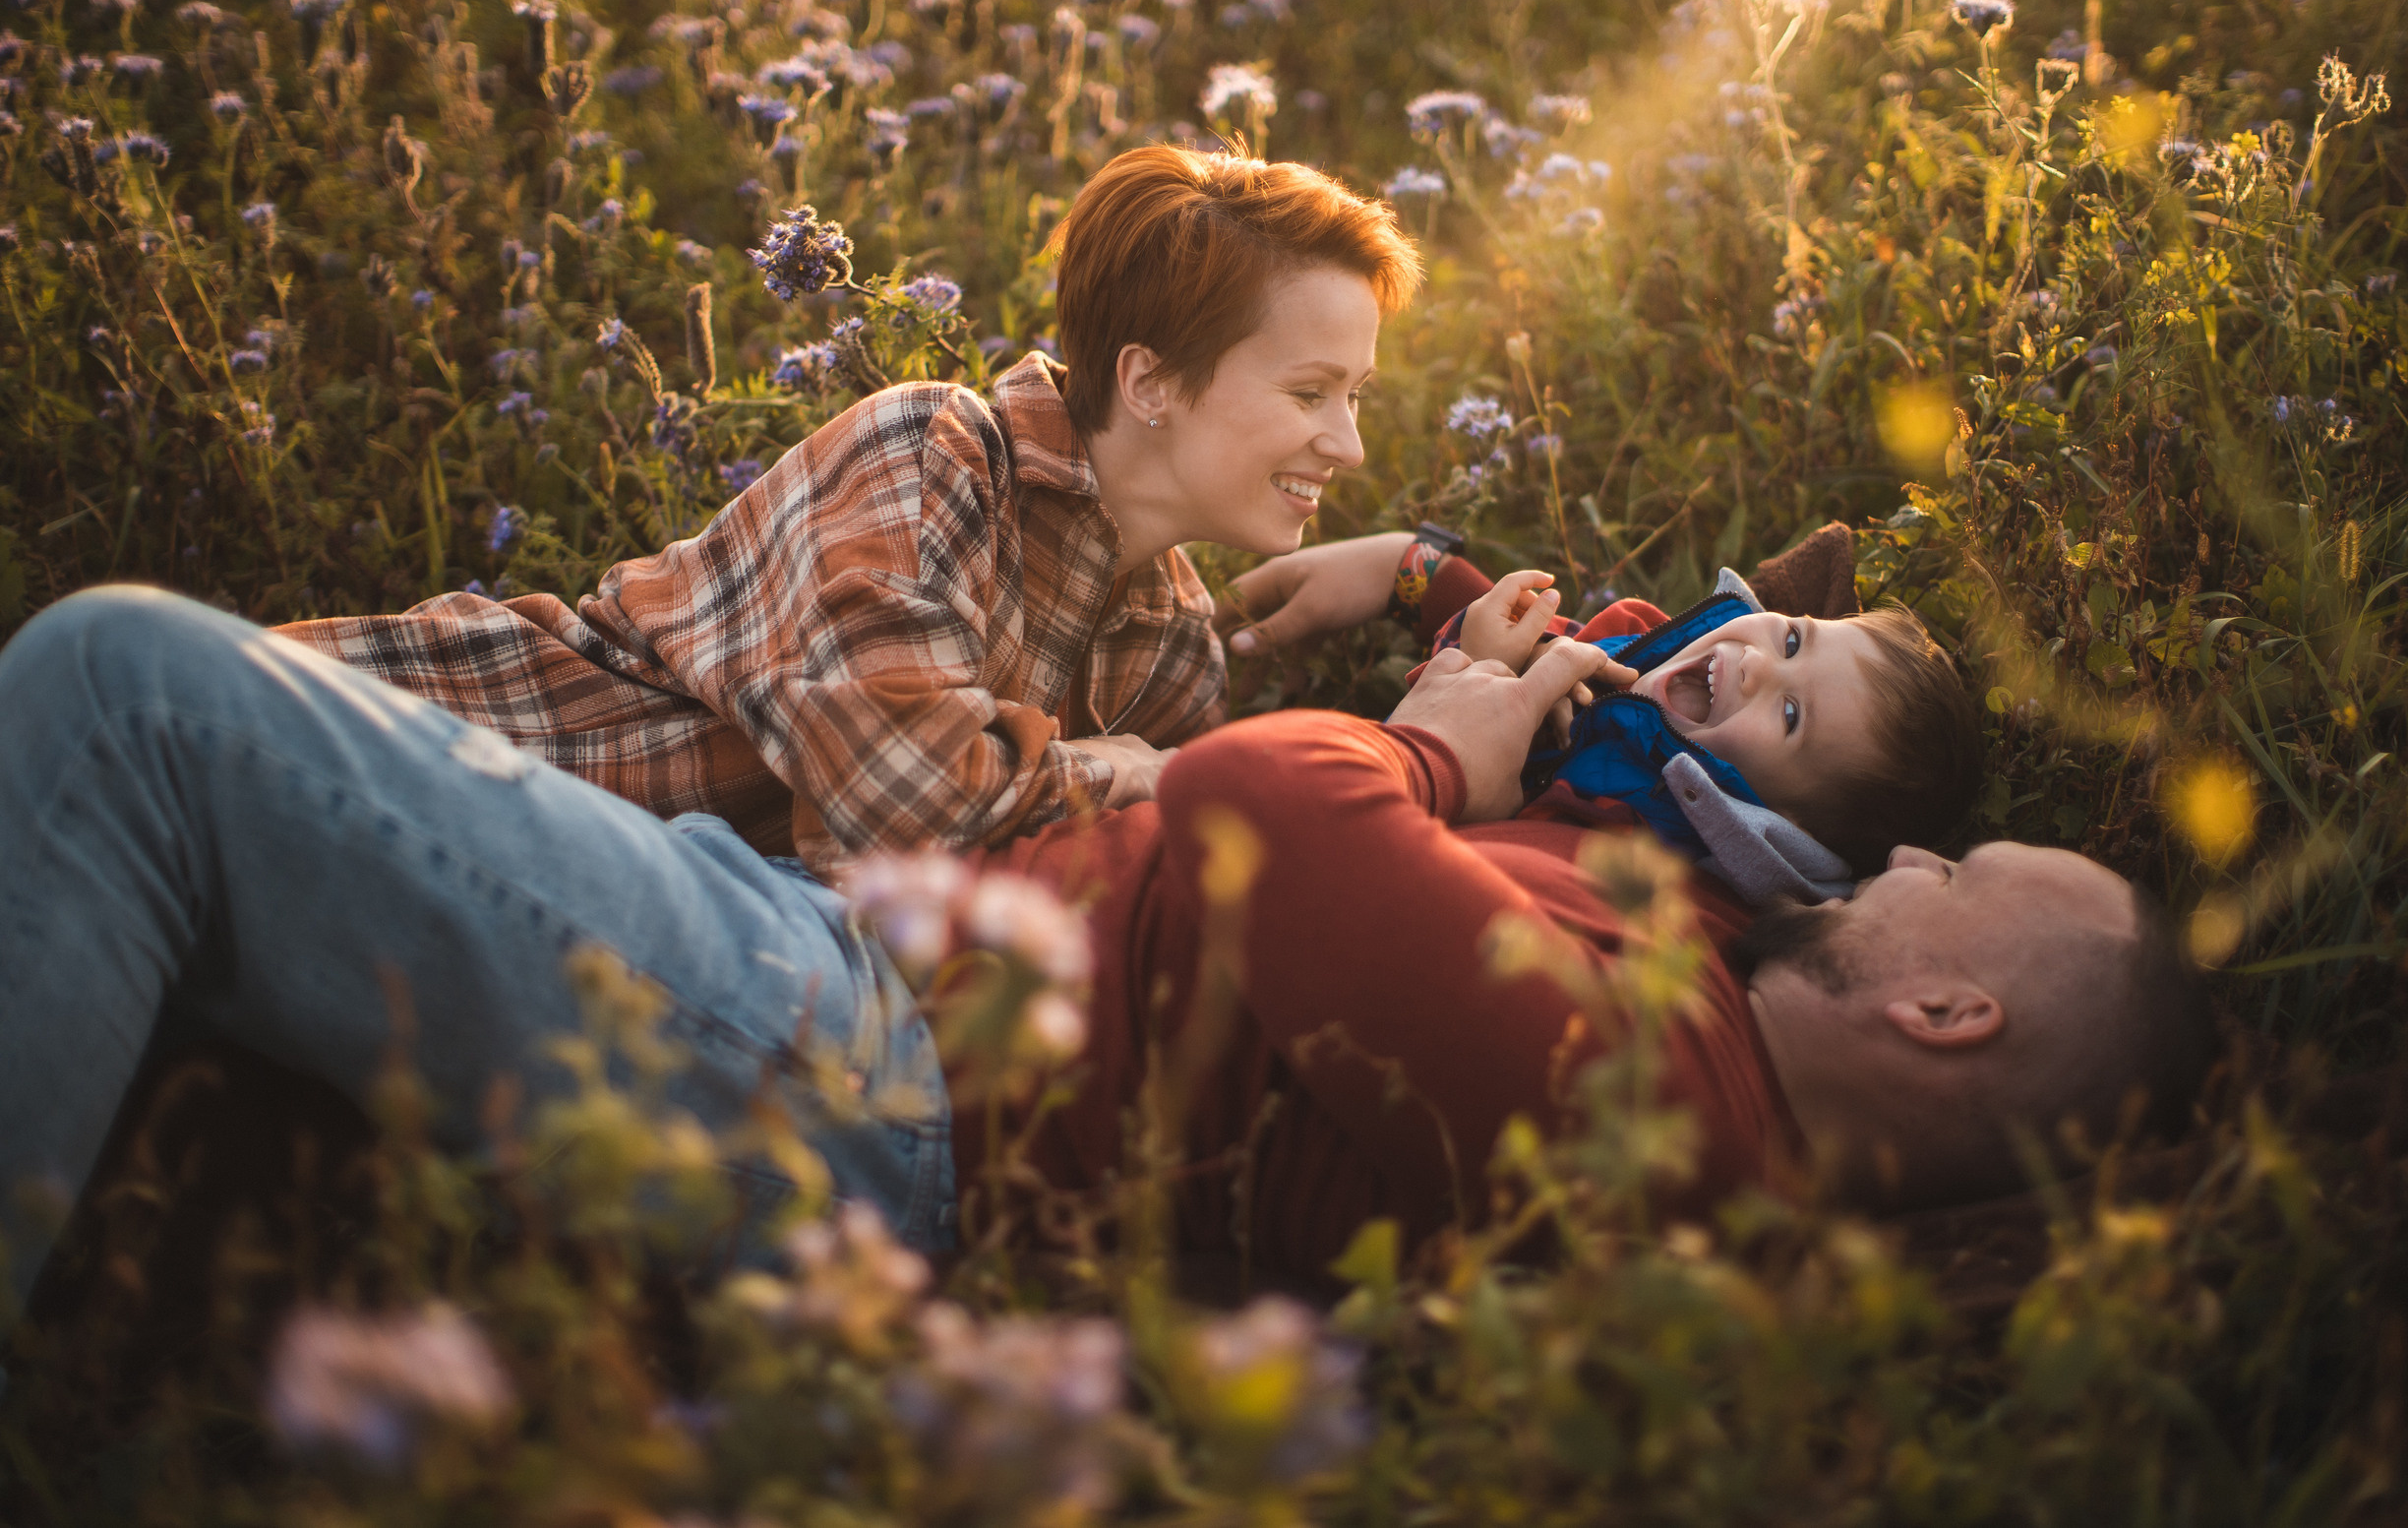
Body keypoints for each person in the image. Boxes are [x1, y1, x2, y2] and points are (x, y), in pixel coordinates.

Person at [0, 582, 2215, 1313]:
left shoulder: (1643, 1099)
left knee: (125, 694)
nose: (1905, 856)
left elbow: (1262, 801)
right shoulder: (1677, 989)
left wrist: (1429, 752)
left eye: (1959, 864)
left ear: (1948, 1004)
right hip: (843, 972)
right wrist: (1584, 695)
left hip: (853, 1066)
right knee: (163, 817)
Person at [282, 145, 1423, 874]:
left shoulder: (1169, 654)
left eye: (1355, 395)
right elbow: (904, 819)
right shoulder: (934, 455)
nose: (1348, 441)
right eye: (1309, 392)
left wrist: (1419, 576)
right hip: (385, 759)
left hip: (549, 943)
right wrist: (1129, 771)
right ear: (1150, 383)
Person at [1423, 558, 1982, 898]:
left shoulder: (1632, 842)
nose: (1758, 663)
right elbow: (1466, 663)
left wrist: (1474, 688)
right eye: (1791, 640)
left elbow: (1457, 851)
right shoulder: (1633, 633)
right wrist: (1492, 655)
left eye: (1791, 715)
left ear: (1781, 821)